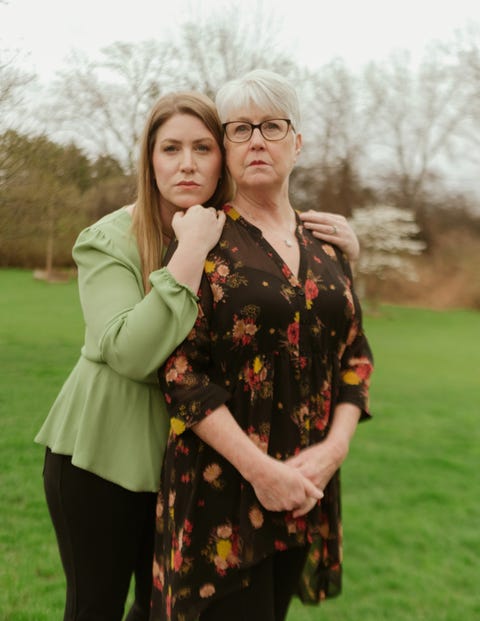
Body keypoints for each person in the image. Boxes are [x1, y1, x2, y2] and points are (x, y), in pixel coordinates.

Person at [34, 89, 360, 621]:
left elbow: (287, 315)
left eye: (203, 148)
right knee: (94, 607)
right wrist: (188, 253)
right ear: (149, 159)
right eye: (170, 149)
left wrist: (347, 254)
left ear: (222, 159)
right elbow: (129, 354)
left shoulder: (232, 236)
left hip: (182, 467)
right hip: (103, 459)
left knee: (159, 609)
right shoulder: (109, 239)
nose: (187, 164)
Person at [151, 70, 374, 621]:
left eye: (272, 126)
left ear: (296, 143)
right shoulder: (203, 240)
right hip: (221, 497)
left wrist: (334, 449)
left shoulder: (328, 244)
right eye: (240, 128)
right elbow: (180, 374)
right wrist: (261, 471)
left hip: (306, 490)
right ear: (224, 148)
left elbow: (356, 358)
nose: (256, 140)